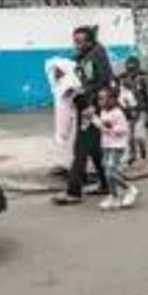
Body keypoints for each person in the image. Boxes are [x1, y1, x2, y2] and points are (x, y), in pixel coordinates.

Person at [53, 25, 114, 205]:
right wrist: (62, 72)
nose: (77, 45)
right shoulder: (85, 56)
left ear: (90, 40)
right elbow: (75, 69)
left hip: (91, 108)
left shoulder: (97, 55)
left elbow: (104, 80)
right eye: (75, 41)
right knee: (94, 148)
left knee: (80, 149)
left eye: (80, 41)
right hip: (85, 106)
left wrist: (95, 106)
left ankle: (74, 192)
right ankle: (105, 184)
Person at [93, 87, 140, 210]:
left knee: (110, 172)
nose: (100, 101)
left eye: (103, 98)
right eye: (99, 99)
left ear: (112, 100)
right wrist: (93, 119)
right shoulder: (103, 112)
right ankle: (114, 196)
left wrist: (110, 128)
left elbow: (124, 130)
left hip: (116, 146)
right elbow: (101, 126)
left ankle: (129, 189)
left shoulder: (118, 113)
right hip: (106, 145)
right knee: (107, 172)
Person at [45, 57, 81, 172]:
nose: (56, 72)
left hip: (70, 115)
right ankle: (63, 165)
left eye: (58, 70)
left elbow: (71, 94)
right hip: (61, 115)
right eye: (55, 70)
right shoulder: (58, 83)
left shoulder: (69, 81)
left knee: (71, 140)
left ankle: (72, 166)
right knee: (61, 139)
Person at [119, 56, 148, 166]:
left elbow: (146, 97)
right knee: (129, 137)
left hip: (141, 110)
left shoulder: (143, 79)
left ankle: (143, 152)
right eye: (129, 69)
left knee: (139, 135)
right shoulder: (122, 79)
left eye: (133, 69)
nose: (131, 72)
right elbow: (121, 97)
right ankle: (132, 155)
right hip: (128, 111)